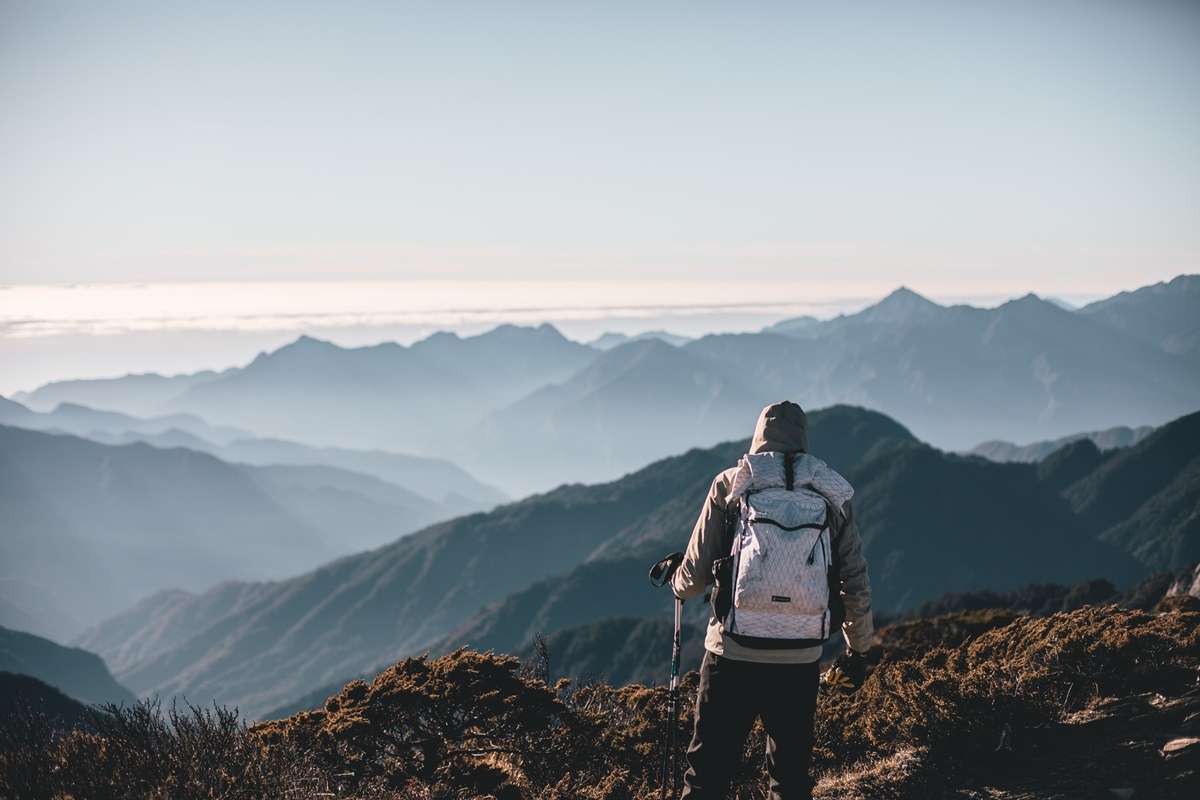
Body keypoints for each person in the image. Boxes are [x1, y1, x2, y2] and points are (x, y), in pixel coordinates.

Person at [670, 400, 873, 800]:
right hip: (800, 656)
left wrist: (676, 583)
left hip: (732, 653)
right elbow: (855, 579)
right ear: (803, 439)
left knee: (706, 775)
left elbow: (693, 579)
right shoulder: (831, 492)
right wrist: (858, 649)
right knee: (791, 778)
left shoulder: (732, 483)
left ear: (759, 435)